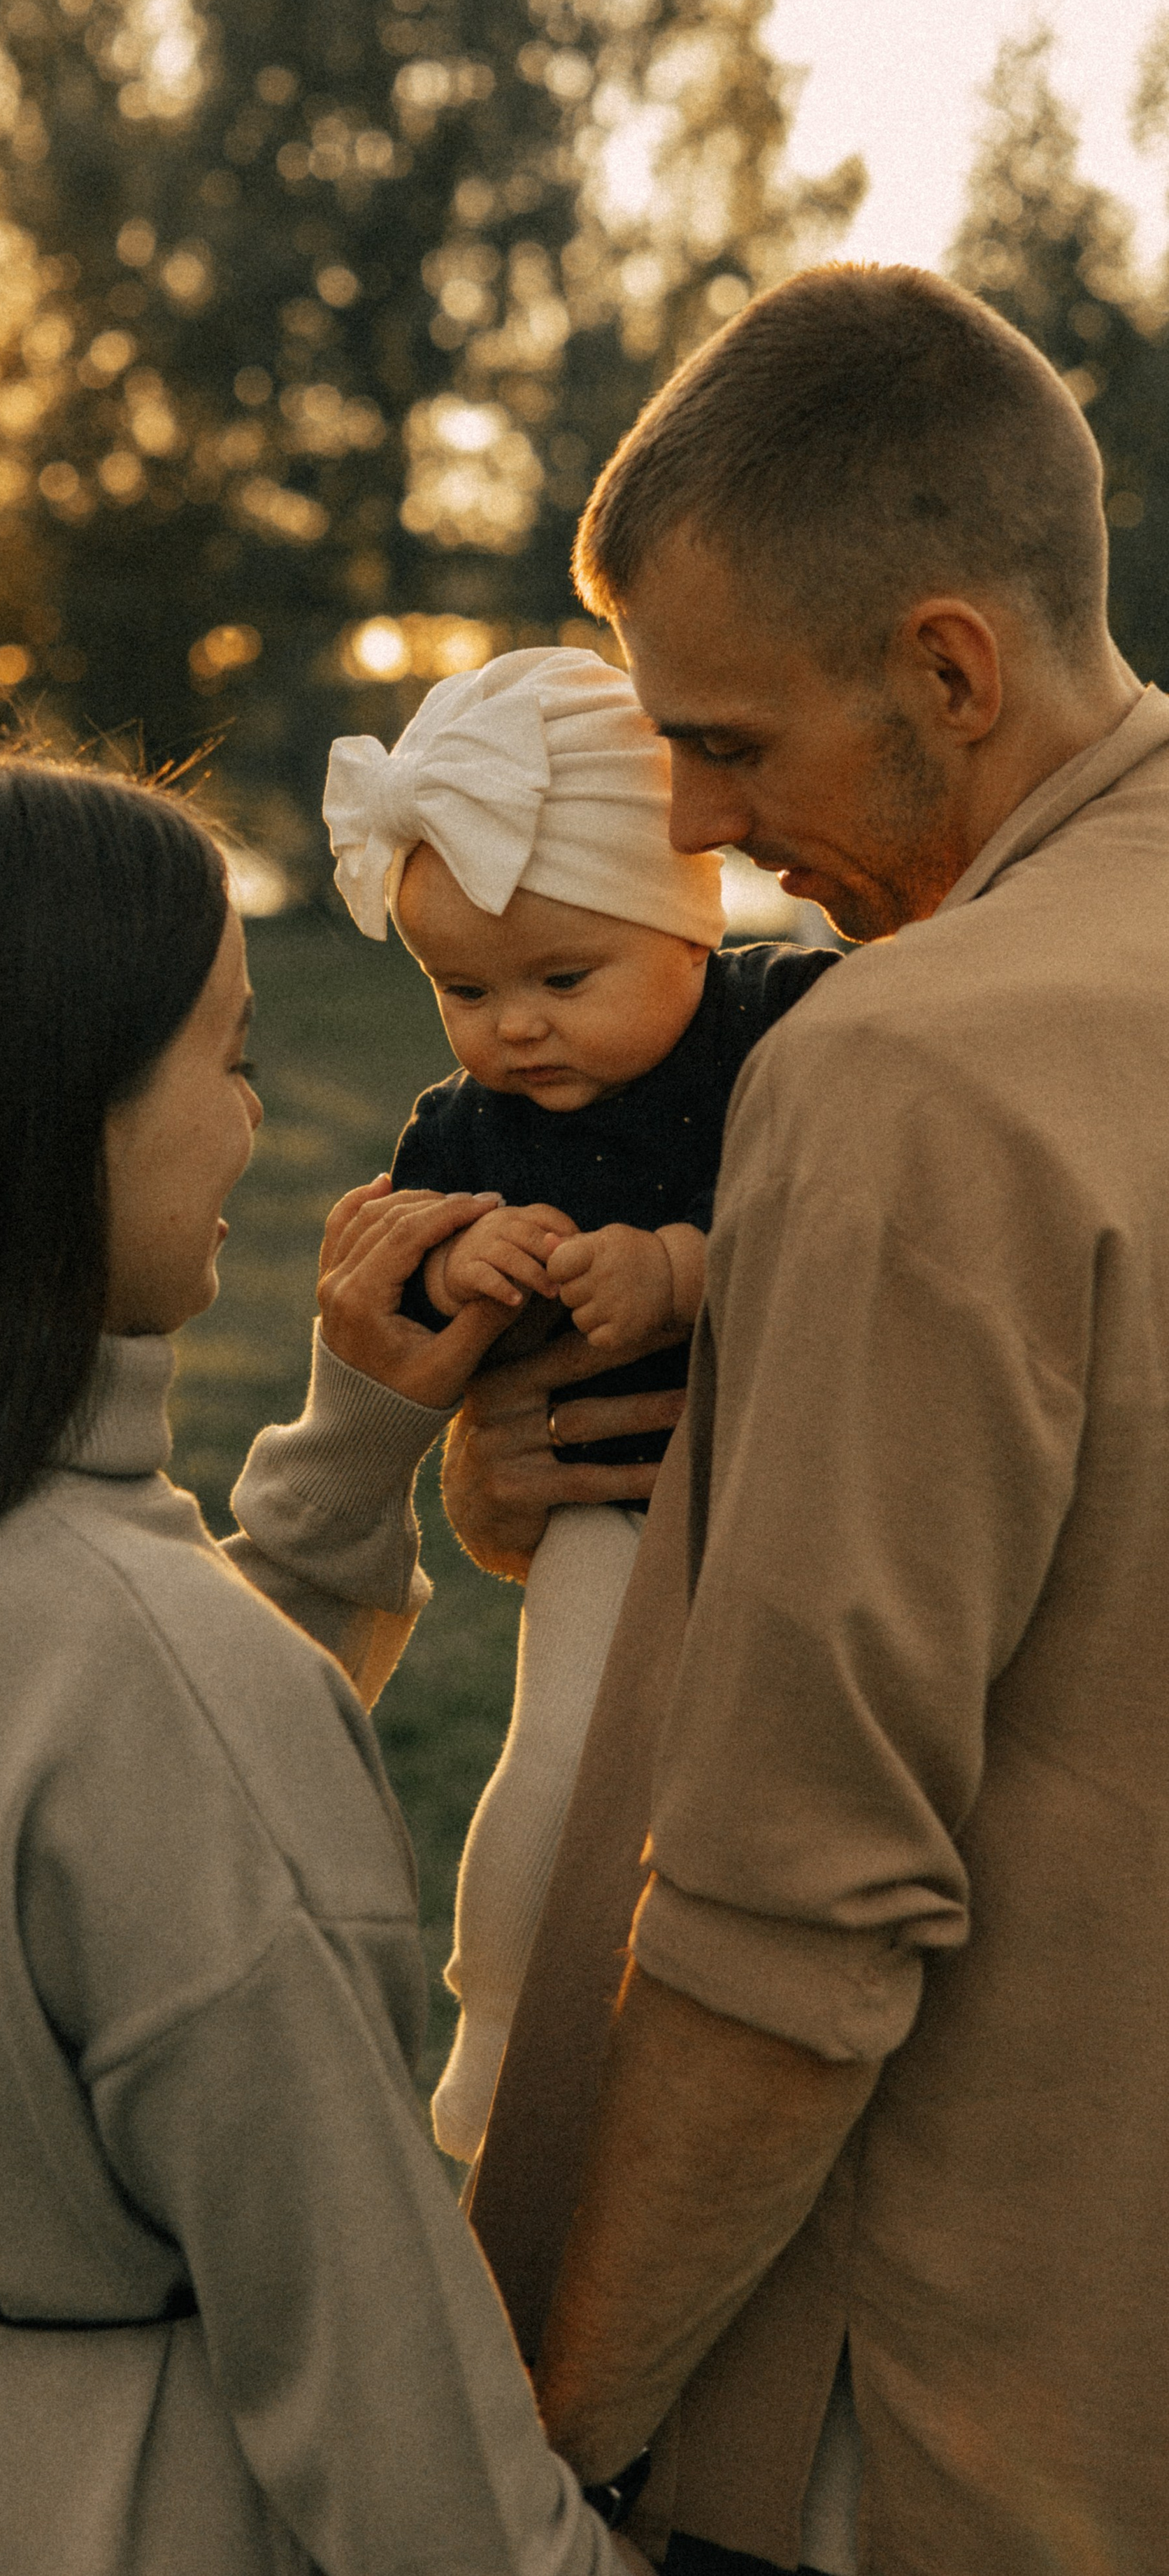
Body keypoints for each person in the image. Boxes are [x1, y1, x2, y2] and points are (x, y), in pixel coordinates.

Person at [0, 748, 649, 2576]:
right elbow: (409, 2452)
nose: (252, 1125)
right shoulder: (152, 1676)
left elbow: (119, 1837)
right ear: (56, 1112)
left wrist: (354, 1448)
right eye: (228, 1055)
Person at [436, 263, 1169, 2574]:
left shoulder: (908, 1066)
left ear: (951, 671)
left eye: (731, 744)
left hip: (920, 2420)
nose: (697, 829)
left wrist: (564, 2449)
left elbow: (790, 1918)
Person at [322, 649, 835, 2160]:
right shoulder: (464, 1128)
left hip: (795, 1496)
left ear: (685, 925)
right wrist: (466, 1261)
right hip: (609, 1504)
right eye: (461, 991)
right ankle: (491, 2027)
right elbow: (402, 1311)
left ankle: (685, 2065)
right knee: (558, 1762)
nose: (514, 1030)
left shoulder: (783, 1027)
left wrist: (682, 1268)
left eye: (561, 979)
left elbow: (857, 1211)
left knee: (750, 1811)